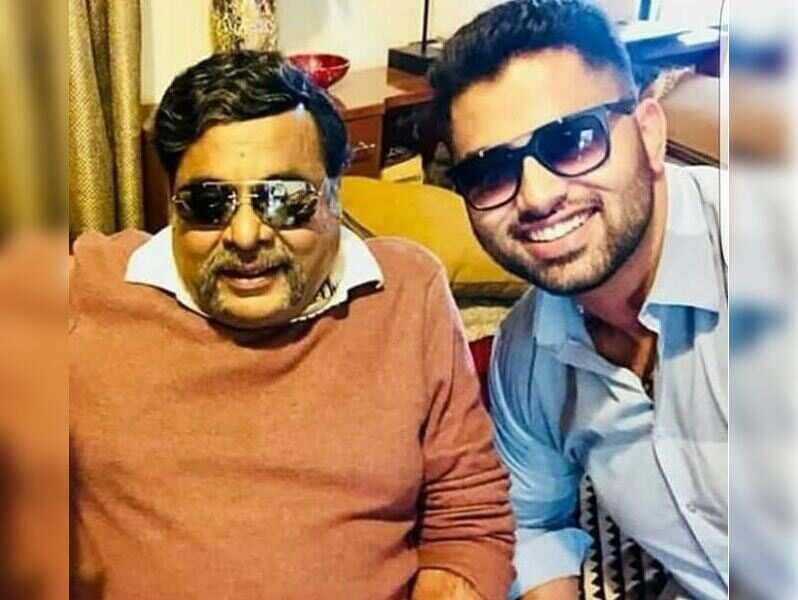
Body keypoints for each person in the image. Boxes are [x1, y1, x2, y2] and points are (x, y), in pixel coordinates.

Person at [69, 51, 514, 600]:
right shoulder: (83, 291)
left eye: (283, 199)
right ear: (173, 206)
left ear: (334, 196)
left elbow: (467, 522)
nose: (246, 235)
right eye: (209, 202)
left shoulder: (407, 293)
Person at [429, 1, 727, 599]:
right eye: (490, 172)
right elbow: (533, 525)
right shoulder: (527, 351)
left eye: (573, 140)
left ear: (649, 132)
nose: (537, 196)